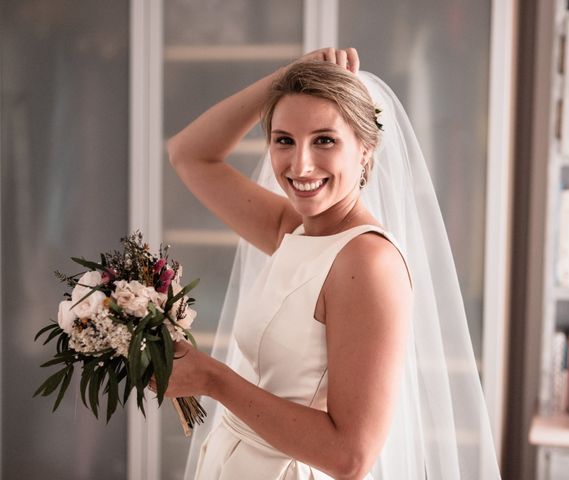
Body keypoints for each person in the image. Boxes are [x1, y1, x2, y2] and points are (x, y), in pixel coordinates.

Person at [161, 47, 502, 480]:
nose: (300, 164)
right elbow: (188, 154)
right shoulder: (295, 229)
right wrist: (287, 77)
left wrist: (213, 380)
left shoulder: (368, 262)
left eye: (324, 139)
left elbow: (351, 457)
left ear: (365, 148)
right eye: (284, 140)